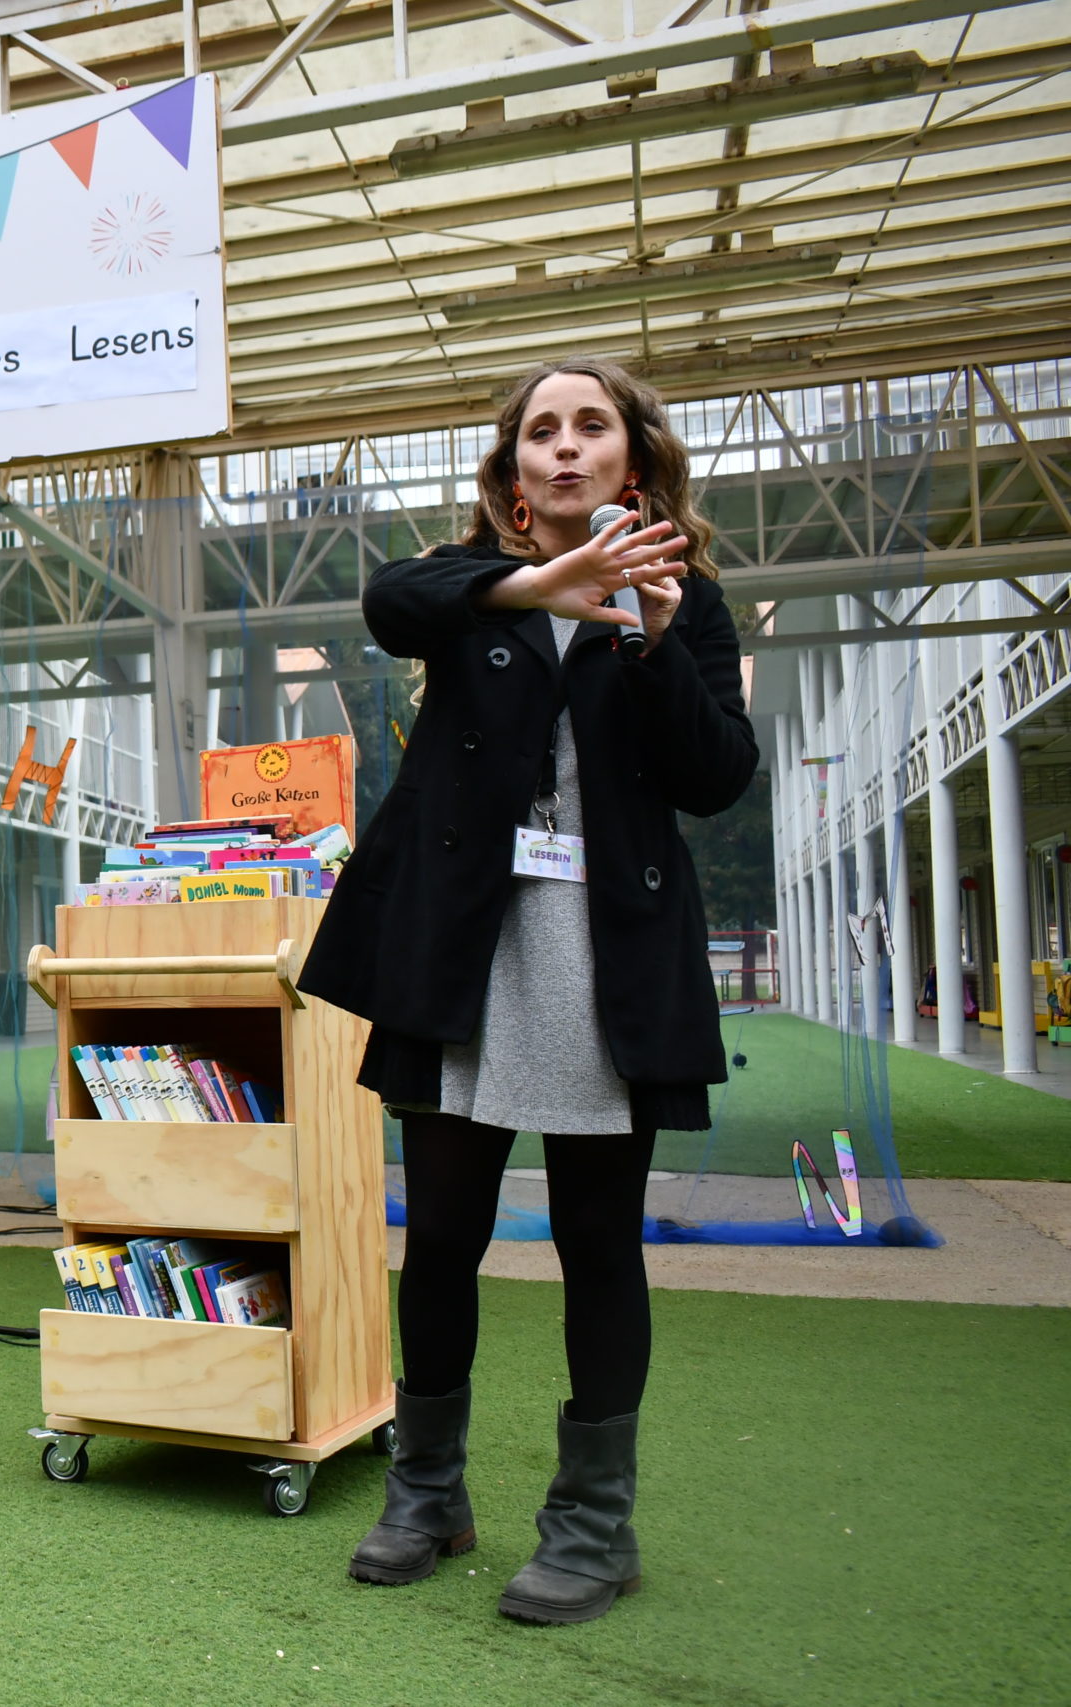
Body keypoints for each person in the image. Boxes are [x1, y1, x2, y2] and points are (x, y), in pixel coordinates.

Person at [298, 357, 756, 1625]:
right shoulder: (467, 587)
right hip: (463, 949)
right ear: (511, 477)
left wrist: (652, 632)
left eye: (589, 426)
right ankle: (426, 1494)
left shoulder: (688, 603)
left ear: (631, 462)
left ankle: (593, 1527)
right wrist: (534, 587)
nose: (563, 446)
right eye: (538, 432)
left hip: (606, 953)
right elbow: (389, 600)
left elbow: (716, 776)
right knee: (441, 1232)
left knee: (594, 1241)